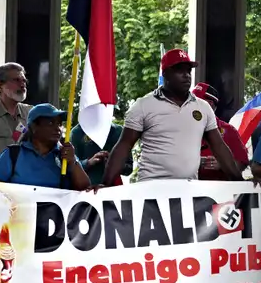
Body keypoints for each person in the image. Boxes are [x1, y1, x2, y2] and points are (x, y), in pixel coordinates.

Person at [99, 49, 243, 186]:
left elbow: (219, 147)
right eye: (180, 70)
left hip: (188, 191)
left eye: (188, 70)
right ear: (166, 74)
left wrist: (240, 182)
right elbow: (124, 146)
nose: (186, 75)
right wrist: (105, 183)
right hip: (151, 189)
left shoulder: (203, 107)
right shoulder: (143, 105)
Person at [0, 104, 89, 190]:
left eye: (59, 124)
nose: (58, 129)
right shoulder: (13, 154)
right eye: (51, 123)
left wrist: (72, 161)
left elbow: (84, 187)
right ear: (34, 127)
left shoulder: (65, 155)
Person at [191, 82, 249, 181]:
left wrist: (223, 165)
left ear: (210, 105)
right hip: (189, 187)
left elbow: (242, 163)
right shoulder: (185, 127)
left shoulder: (229, 131)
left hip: (220, 188)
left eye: (197, 102)